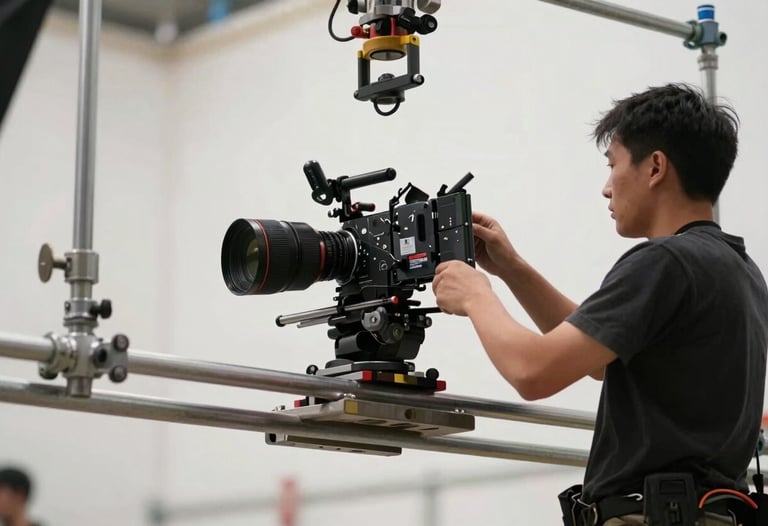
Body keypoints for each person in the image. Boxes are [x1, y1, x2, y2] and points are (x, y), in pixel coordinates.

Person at [431, 83, 768, 526]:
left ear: (655, 168)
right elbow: (594, 359)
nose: (607, 189)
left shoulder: (664, 261)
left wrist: (476, 294)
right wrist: (512, 269)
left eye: (613, 166)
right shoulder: (741, 270)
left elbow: (533, 372)